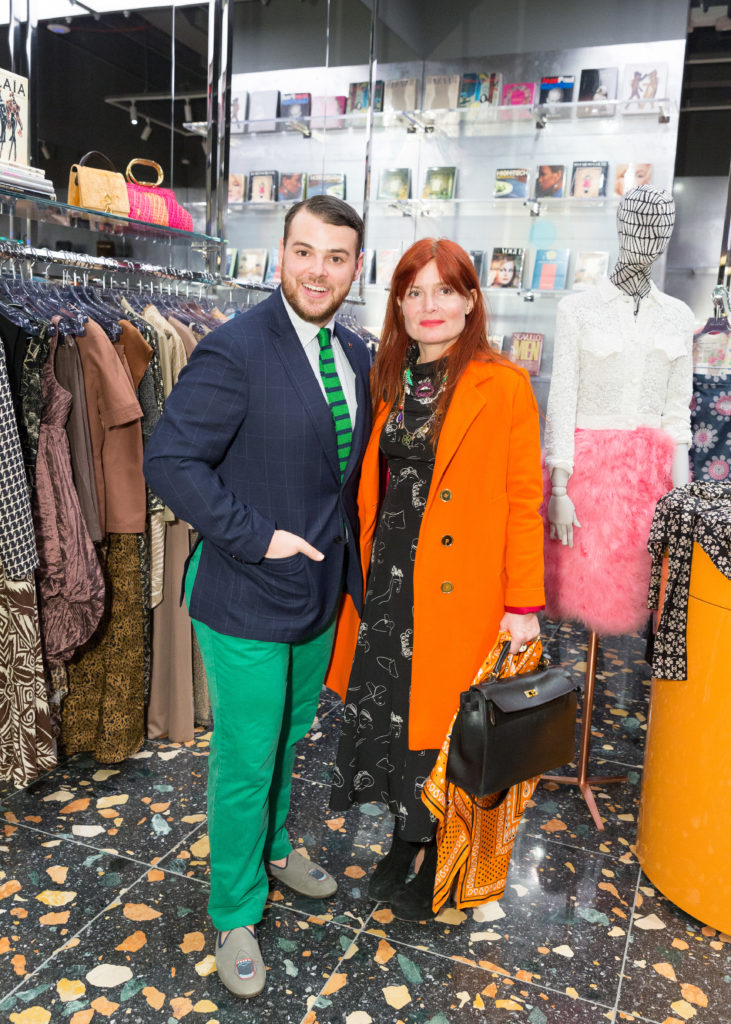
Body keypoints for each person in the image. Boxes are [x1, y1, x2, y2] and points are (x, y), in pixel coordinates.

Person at [143, 195, 371, 998]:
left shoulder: (354, 352)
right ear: (280, 254)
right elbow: (169, 462)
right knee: (245, 756)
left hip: (318, 591)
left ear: (355, 267)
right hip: (245, 590)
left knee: (288, 739)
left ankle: (273, 848)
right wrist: (259, 536)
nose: (318, 270)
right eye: (304, 252)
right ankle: (235, 909)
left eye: (335, 257)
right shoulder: (234, 347)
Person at [325, 238, 545, 921]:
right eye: (414, 292)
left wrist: (523, 603)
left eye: (444, 291)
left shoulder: (502, 384)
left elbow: (523, 500)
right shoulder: (386, 377)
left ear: (470, 301)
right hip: (391, 579)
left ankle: (442, 850)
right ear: (397, 304)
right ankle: (407, 835)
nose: (430, 305)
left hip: (463, 588)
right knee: (397, 713)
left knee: (449, 725)